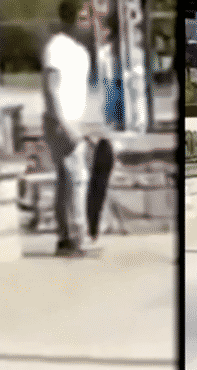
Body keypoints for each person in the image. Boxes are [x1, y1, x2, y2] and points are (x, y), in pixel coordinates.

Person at [41, 0, 92, 257]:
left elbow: (81, 93)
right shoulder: (56, 48)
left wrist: (86, 124)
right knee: (78, 179)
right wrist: (65, 125)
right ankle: (78, 238)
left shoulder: (81, 52)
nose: (88, 20)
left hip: (74, 121)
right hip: (60, 122)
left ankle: (65, 239)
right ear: (72, 17)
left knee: (65, 181)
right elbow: (52, 88)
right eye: (84, 15)